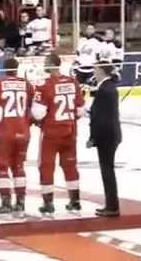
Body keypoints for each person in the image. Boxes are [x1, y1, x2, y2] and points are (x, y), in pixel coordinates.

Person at [31, 53, 85, 215]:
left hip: (51, 133)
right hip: (70, 132)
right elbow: (80, 110)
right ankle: (75, 201)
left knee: (46, 166)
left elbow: (39, 113)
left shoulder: (45, 85)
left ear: (52, 64)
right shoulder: (72, 82)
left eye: (46, 62)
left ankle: (48, 203)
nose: (44, 65)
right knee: (70, 165)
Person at [0, 58, 34, 215]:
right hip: (23, 130)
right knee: (19, 166)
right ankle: (21, 202)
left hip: (4, 131)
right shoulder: (27, 84)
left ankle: (5, 202)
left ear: (3, 69)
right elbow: (32, 110)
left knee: (1, 166)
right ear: (17, 68)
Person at [89, 62, 121, 217]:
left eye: (95, 69)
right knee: (107, 169)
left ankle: (112, 206)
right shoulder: (107, 87)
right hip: (111, 133)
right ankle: (111, 204)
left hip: (106, 135)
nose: (94, 71)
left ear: (101, 70)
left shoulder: (105, 89)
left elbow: (100, 117)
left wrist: (93, 136)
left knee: (107, 170)